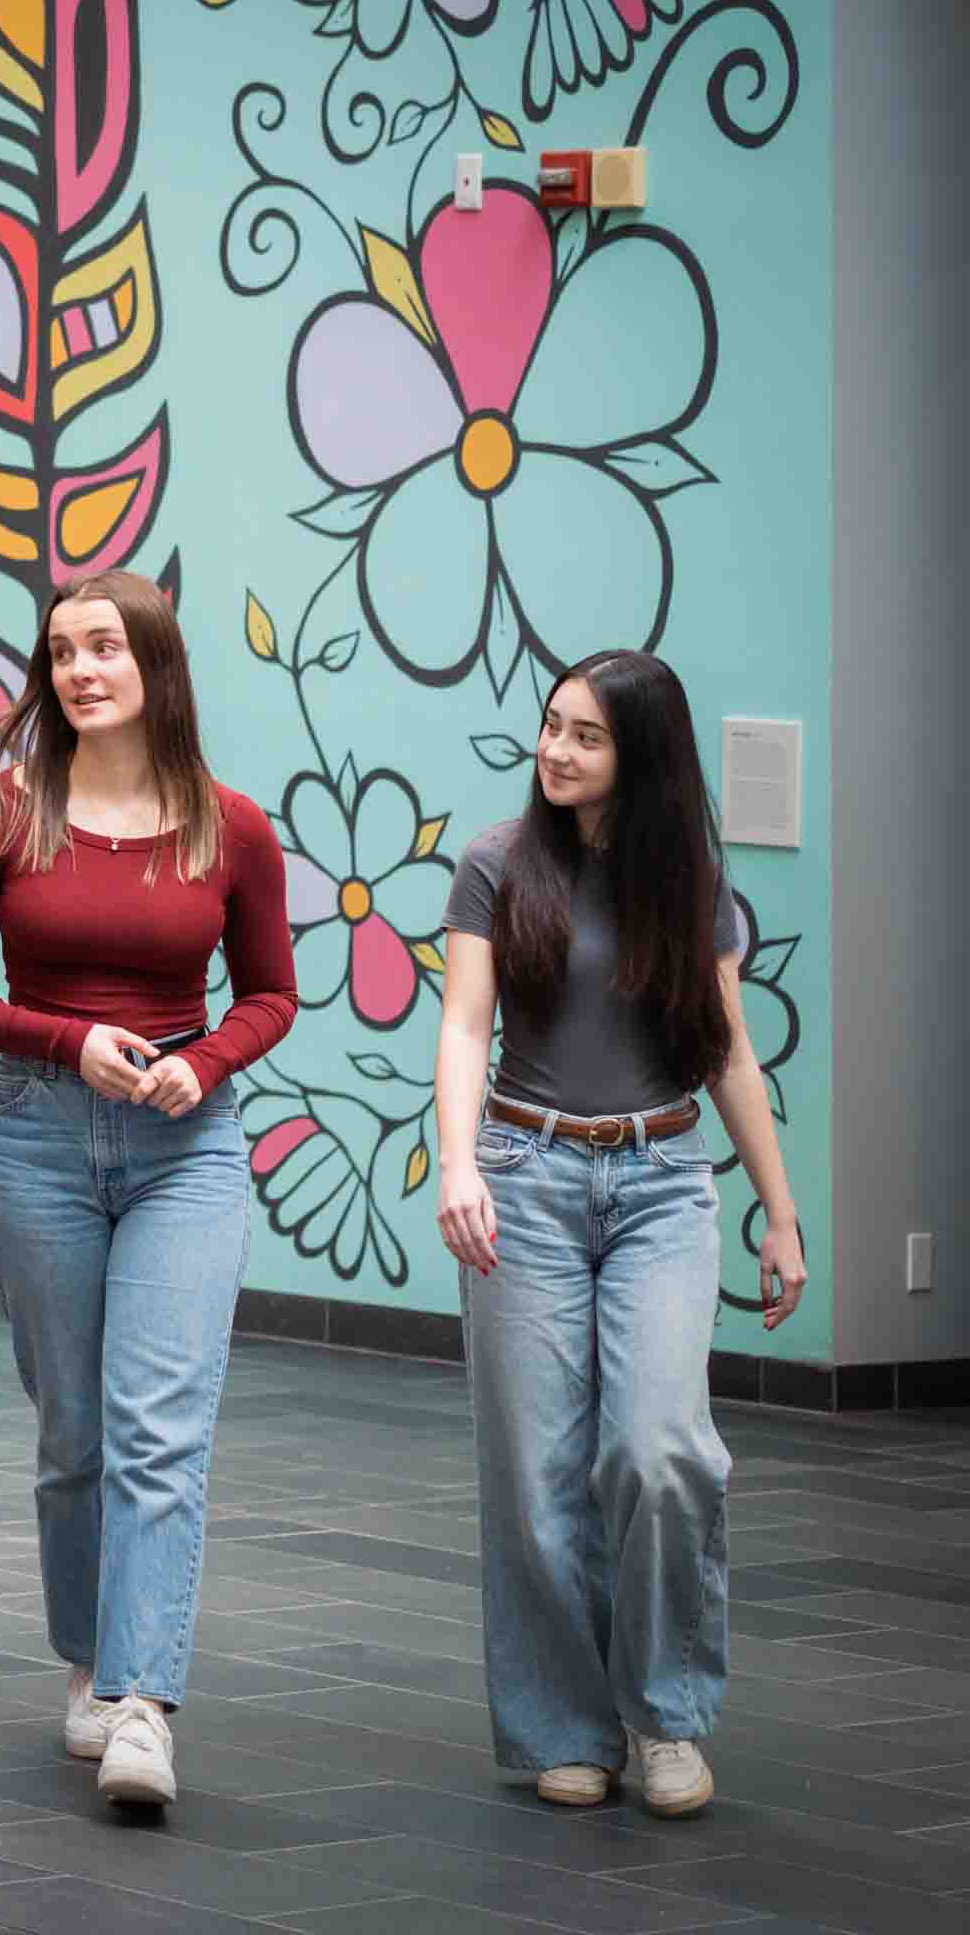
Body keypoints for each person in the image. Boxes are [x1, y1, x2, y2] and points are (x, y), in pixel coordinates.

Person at [0, 570, 297, 1808]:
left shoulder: (229, 827)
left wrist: (206, 1062)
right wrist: (65, 1043)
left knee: (159, 1433)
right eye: (64, 652)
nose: (81, 670)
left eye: (107, 649)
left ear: (157, 670)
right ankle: (87, 1660)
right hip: (33, 1141)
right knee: (74, 1432)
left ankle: (142, 1702)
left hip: (188, 1150)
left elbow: (273, 993)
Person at [432, 649, 806, 1821]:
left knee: (660, 1452)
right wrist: (457, 1166)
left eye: (585, 735)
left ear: (639, 754)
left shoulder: (692, 883)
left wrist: (779, 1214)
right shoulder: (495, 864)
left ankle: (667, 1715)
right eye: (550, 726)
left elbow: (730, 1055)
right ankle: (565, 1727)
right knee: (538, 1472)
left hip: (660, 1182)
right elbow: (462, 1028)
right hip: (525, 1171)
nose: (556, 750)